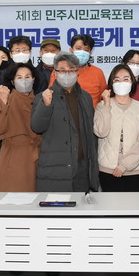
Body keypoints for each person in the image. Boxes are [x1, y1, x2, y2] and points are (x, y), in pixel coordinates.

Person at [32, 52, 99, 192]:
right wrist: (46, 105)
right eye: (62, 70)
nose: (67, 74)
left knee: (81, 205)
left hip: (82, 168)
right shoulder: (44, 97)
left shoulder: (85, 97)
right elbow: (37, 127)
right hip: (55, 169)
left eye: (71, 70)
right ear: (55, 72)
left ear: (77, 72)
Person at [93, 64, 139, 192]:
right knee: (110, 204)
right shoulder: (102, 106)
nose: (121, 83)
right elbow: (101, 132)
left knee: (134, 204)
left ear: (132, 81)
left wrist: (124, 165)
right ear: (111, 83)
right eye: (117, 80)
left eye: (126, 79)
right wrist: (107, 105)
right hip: (108, 169)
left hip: (135, 170)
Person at [0, 63, 42, 192]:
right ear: (12, 81)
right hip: (14, 156)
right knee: (15, 197)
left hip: (37, 155)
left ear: (33, 79)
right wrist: (3, 101)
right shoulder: (7, 99)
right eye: (19, 77)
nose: (24, 80)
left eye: (27, 76)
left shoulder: (39, 100)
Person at [48, 34, 107, 108]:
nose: (82, 52)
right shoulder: (59, 71)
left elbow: (103, 97)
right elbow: (51, 95)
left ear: (90, 53)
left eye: (86, 50)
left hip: (92, 114)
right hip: (64, 113)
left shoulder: (98, 72)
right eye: (78, 48)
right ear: (71, 50)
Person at [0, 36, 31, 101]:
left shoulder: (36, 72)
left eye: (24, 50)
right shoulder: (5, 73)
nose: (21, 53)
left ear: (30, 52)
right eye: (17, 50)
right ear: (11, 54)